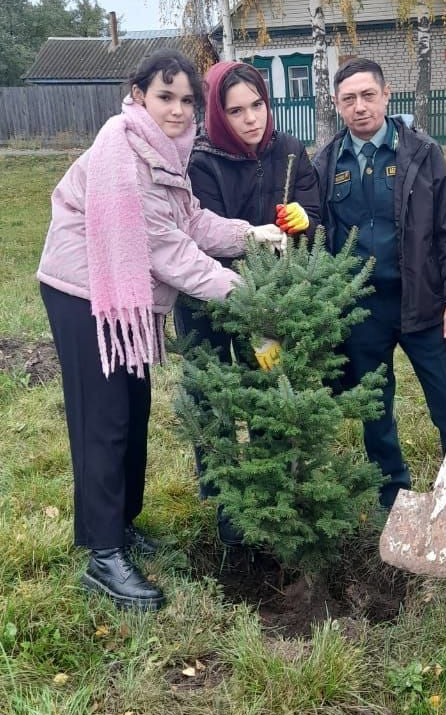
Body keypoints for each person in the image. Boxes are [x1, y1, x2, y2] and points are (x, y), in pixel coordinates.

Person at [37, 49, 283, 611]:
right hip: (86, 293)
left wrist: (252, 234)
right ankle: (103, 557)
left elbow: (190, 221)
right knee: (105, 419)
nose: (176, 109)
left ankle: (119, 526)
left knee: (133, 409)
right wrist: (244, 292)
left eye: (186, 99)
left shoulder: (167, 152)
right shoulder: (122, 150)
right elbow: (170, 252)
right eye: (164, 96)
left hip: (120, 297)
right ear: (139, 94)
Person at [313, 56, 446, 529]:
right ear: (336, 104)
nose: (359, 107)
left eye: (367, 95)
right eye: (348, 99)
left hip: (423, 303)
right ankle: (391, 492)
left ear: (386, 95)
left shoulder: (422, 152)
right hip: (360, 309)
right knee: (376, 406)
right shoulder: (327, 162)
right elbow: (316, 234)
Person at [174, 60, 321, 544]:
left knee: (267, 387)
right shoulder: (201, 162)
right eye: (236, 111)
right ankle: (226, 508)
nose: (251, 119)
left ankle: (271, 489)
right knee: (214, 395)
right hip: (208, 305)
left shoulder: (290, 152)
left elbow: (314, 215)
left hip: (269, 307)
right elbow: (207, 237)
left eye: (257, 105)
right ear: (219, 116)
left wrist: (306, 219)